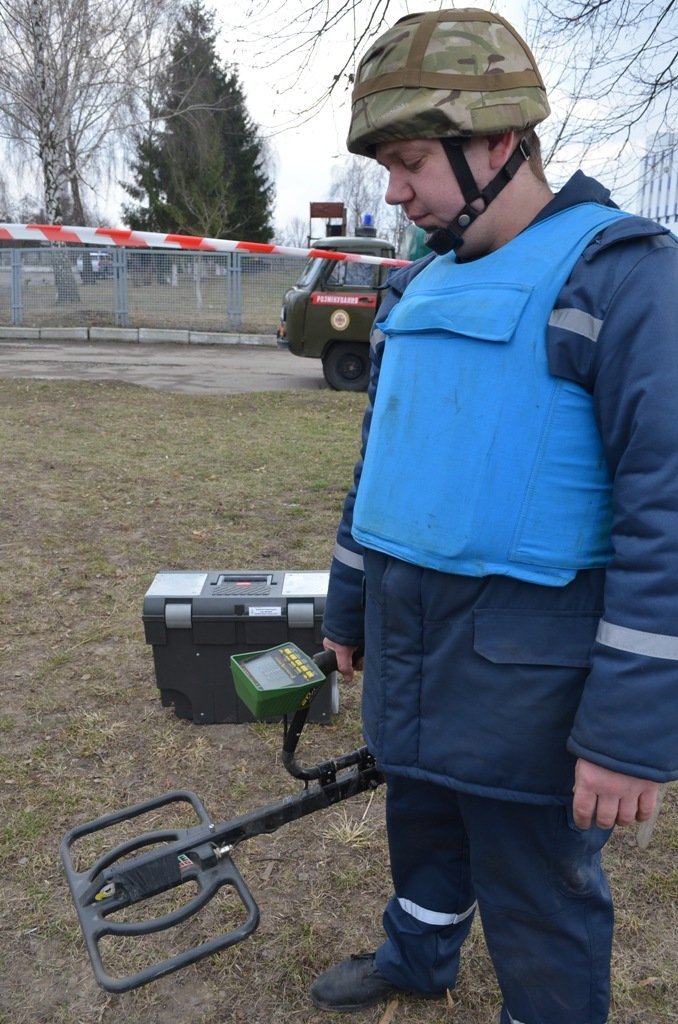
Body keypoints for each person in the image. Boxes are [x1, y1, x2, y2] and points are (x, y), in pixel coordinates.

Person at [311, 9, 678, 1024]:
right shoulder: (418, 287)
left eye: (410, 161)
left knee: (537, 894)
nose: (394, 190)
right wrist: (347, 611)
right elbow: (382, 470)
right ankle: (418, 954)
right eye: (387, 166)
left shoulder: (624, 276)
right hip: (414, 659)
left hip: (532, 691)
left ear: (499, 142)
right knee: (421, 827)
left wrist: (628, 734)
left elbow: (666, 511)